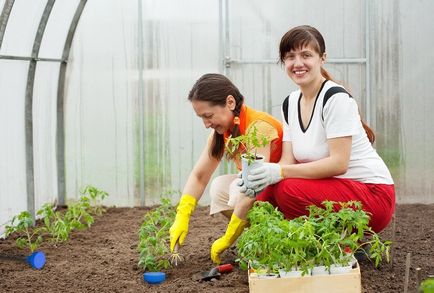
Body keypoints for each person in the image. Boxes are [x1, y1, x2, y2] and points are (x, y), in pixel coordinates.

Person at [241, 25, 395, 234]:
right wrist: (257, 177)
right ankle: (289, 246)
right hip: (335, 191)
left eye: (306, 55)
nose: (298, 63)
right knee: (266, 192)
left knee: (287, 189)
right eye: (290, 57)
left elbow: (339, 163)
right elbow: (288, 161)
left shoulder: (335, 99)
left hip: (372, 195)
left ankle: (341, 245)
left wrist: (278, 172)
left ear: (322, 58)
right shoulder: (290, 103)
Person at [169, 73, 283, 264]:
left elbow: (253, 189)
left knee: (239, 190)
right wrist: (182, 214)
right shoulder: (223, 133)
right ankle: (259, 235)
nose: (206, 124)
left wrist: (228, 238)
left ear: (230, 102)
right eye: (201, 118)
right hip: (260, 193)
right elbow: (199, 176)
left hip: (280, 193)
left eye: (208, 116)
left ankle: (277, 234)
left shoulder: (258, 127)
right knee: (220, 188)